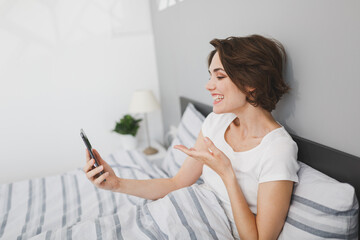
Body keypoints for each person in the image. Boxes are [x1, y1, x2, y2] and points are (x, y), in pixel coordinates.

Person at [83, 34, 300, 239]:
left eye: (220, 76)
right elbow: (177, 183)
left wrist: (227, 174)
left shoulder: (277, 149)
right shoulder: (216, 123)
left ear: (252, 83)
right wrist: (117, 184)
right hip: (182, 210)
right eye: (210, 75)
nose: (208, 85)